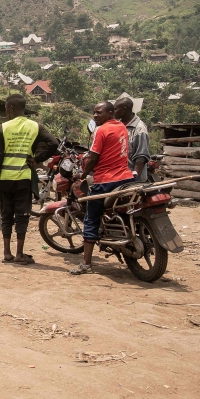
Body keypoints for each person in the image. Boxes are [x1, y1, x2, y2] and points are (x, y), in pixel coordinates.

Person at [0, 94, 59, 265]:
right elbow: (54, 143)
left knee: (6, 215)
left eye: (6, 108)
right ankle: (19, 254)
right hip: (24, 179)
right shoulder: (35, 126)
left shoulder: (2, 128)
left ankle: (7, 253)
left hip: (5, 179)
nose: (6, 112)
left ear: (11, 108)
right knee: (22, 216)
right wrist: (37, 159)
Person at [69, 102, 135, 276]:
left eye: (99, 113)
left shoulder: (101, 130)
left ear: (110, 113)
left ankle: (86, 264)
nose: (95, 116)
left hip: (106, 181)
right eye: (94, 113)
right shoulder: (122, 126)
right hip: (127, 178)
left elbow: (93, 158)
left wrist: (82, 175)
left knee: (91, 218)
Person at [114, 97, 151, 182]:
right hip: (118, 177)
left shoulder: (139, 129)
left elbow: (141, 157)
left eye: (115, 109)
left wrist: (133, 179)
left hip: (130, 179)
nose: (113, 112)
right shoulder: (118, 125)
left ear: (124, 110)